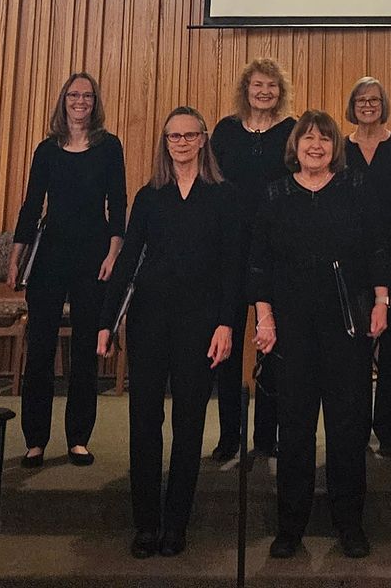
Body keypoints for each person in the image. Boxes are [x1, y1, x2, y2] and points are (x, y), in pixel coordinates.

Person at [96, 107, 241, 559]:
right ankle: (146, 524)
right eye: (173, 137)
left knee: (189, 423)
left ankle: (176, 523)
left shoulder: (224, 196)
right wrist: (106, 322)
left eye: (189, 135)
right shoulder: (149, 196)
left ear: (203, 140)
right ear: (165, 143)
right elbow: (127, 260)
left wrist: (227, 323)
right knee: (144, 422)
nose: (181, 143)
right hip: (149, 321)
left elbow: (233, 267)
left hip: (201, 323)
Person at [251, 110, 390, 560]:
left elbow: (377, 247)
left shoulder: (356, 188)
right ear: (295, 145)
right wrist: (264, 317)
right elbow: (260, 262)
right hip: (292, 325)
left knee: (348, 426)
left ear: (336, 148)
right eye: (308, 138)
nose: (316, 146)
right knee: (294, 427)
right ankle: (290, 527)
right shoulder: (275, 193)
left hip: (345, 322)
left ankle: (350, 524)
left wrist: (382, 300)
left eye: (325, 139)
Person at [8, 72, 127, 468]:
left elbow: (118, 203)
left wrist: (114, 253)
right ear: (63, 101)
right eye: (74, 95)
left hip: (94, 254)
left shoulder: (109, 147)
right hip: (50, 255)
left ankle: (78, 438)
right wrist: (16, 256)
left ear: (95, 102)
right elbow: (31, 205)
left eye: (87, 96)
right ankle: (35, 440)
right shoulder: (47, 149)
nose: (80, 101)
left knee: (85, 350)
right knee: (40, 349)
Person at [210, 57, 297, 461]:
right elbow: (211, 182)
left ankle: (266, 435)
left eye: (271, 86)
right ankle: (229, 436)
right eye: (257, 85)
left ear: (280, 92)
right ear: (246, 89)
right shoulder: (226, 131)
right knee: (226, 341)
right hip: (228, 247)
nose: (264, 92)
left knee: (272, 344)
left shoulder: (292, 131)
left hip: (276, 248)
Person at [343, 76, 391, 457]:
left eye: (374, 99)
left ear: (383, 104)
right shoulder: (341, 148)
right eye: (361, 100)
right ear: (352, 106)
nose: (368, 105)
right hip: (353, 261)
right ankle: (354, 429)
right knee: (355, 351)